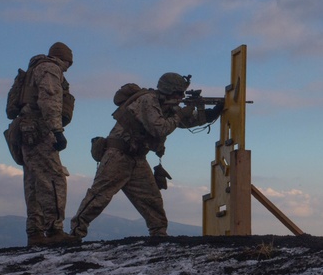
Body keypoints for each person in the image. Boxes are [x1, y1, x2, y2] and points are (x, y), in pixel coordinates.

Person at [69, 73, 222, 238]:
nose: (180, 97)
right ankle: (75, 233)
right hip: (118, 155)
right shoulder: (148, 100)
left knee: (151, 200)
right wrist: (180, 114)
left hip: (137, 158)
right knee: (99, 197)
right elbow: (160, 128)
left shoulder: (164, 106)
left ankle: (159, 234)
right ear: (169, 91)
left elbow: (187, 122)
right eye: (178, 94)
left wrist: (210, 113)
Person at [15, 42, 78, 247]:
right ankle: (54, 230)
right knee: (53, 178)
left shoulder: (34, 69)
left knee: (34, 181)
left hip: (26, 130)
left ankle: (35, 232)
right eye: (68, 64)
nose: (68, 69)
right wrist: (57, 131)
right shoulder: (50, 68)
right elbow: (49, 100)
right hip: (41, 129)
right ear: (65, 59)